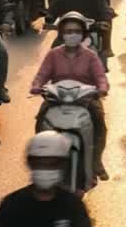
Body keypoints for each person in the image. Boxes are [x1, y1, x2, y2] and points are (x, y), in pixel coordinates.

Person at [31, 13, 110, 179]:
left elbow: (100, 76)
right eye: (67, 31)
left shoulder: (90, 56)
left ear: (82, 33)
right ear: (61, 33)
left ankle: (96, 161)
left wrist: (102, 88)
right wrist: (37, 86)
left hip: (86, 99)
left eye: (75, 31)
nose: (71, 34)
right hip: (57, 98)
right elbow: (42, 74)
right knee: (41, 120)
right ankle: (42, 158)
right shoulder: (53, 54)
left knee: (99, 123)